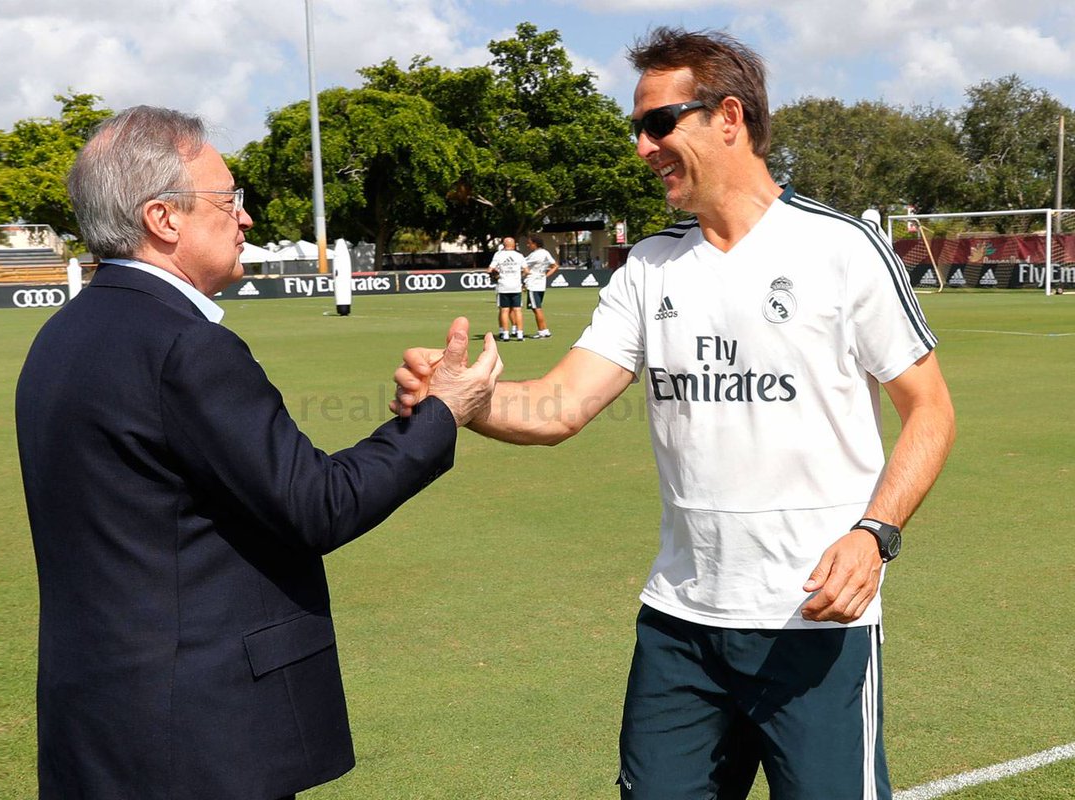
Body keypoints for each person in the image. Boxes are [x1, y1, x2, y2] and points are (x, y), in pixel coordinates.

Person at [394, 27, 955, 800]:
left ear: (729, 117)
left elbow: (930, 411)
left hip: (816, 630)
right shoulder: (649, 266)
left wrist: (876, 533)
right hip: (680, 629)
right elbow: (558, 407)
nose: (641, 146)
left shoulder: (843, 248)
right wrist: (463, 401)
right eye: (637, 127)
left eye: (659, 123)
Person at [15, 105, 501, 800]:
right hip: (195, 739)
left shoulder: (61, 337)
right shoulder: (185, 346)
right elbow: (317, 505)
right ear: (163, 218)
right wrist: (442, 415)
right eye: (228, 200)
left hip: (98, 724)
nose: (245, 218)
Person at [488, 236, 527, 341]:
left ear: (503, 245)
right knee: (517, 310)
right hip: (516, 286)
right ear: (514, 245)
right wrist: (520, 275)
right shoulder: (519, 255)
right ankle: (519, 334)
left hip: (503, 286)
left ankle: (505, 334)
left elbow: (490, 269)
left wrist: (498, 273)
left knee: (504, 310)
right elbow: (527, 270)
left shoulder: (499, 255)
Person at [522, 234, 559, 338]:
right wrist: (546, 275)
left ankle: (543, 331)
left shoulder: (535, 255)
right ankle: (544, 330)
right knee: (537, 308)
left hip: (533, 284)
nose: (528, 245)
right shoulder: (545, 253)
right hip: (541, 283)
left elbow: (523, 264)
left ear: (535, 243)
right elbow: (555, 266)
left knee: (536, 308)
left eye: (529, 243)